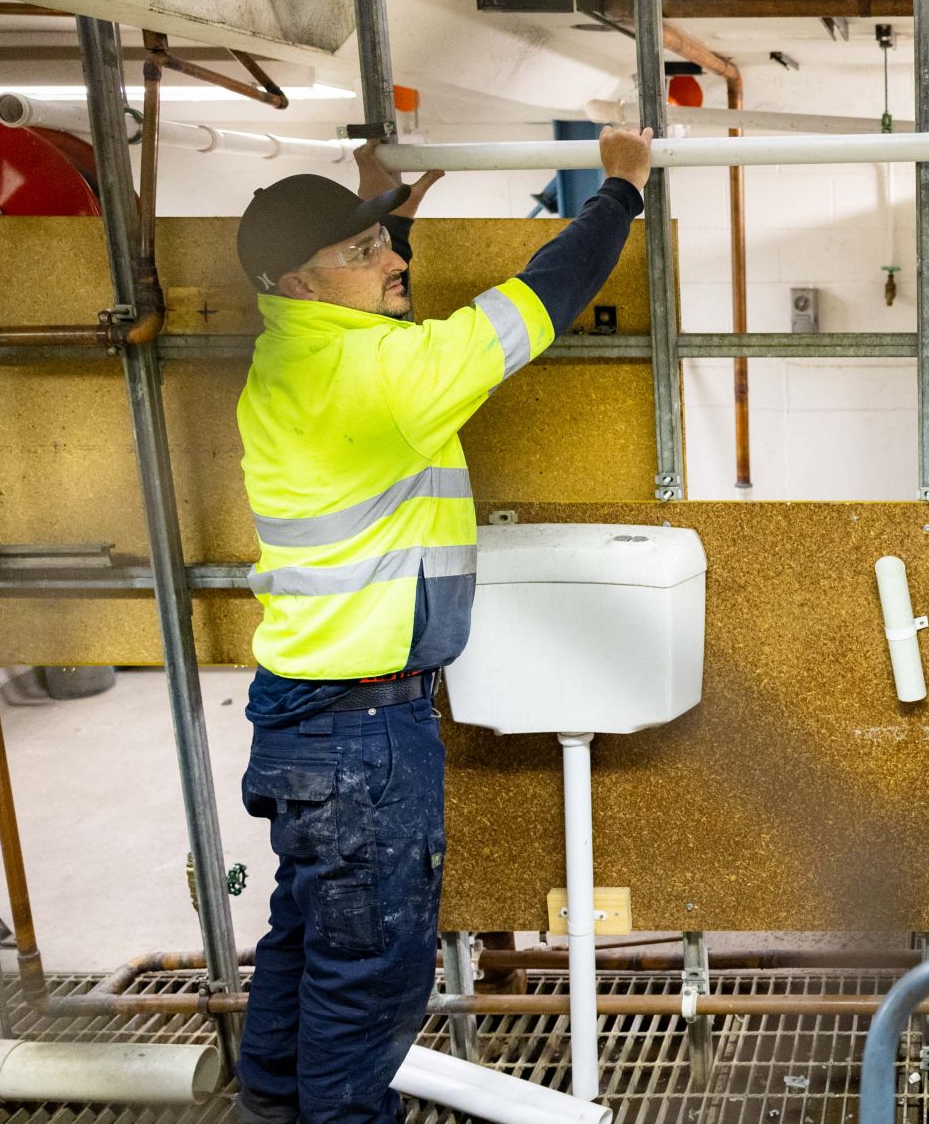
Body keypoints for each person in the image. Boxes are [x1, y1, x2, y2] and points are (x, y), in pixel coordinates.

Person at [230, 127, 654, 1123]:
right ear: (299, 279)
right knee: (368, 984)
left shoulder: (287, 353)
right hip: (363, 736)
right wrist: (622, 186)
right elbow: (541, 298)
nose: (396, 262)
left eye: (386, 241)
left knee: (305, 942)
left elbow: (354, 283)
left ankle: (269, 1110)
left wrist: (381, 206)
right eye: (371, 251)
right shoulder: (381, 378)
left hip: (302, 717)